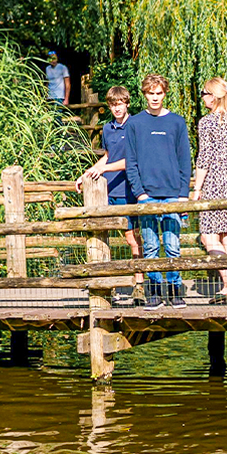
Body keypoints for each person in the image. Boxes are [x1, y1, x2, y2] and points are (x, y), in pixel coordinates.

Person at [125, 74, 192, 308]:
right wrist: (140, 192)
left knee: (173, 245)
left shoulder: (177, 122)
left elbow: (185, 159)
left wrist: (184, 192)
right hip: (147, 194)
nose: (155, 98)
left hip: (173, 193)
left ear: (165, 94)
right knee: (151, 245)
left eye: (159, 93)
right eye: (151, 93)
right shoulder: (135, 124)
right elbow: (130, 162)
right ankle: (153, 290)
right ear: (144, 94)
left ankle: (175, 290)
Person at [76, 84, 146, 304]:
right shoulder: (107, 129)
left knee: (132, 239)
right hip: (109, 190)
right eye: (113, 105)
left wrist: (104, 169)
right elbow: (107, 157)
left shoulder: (136, 125)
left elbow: (133, 160)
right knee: (102, 238)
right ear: (109, 106)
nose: (117, 109)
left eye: (120, 104)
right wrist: (88, 173)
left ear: (127, 103)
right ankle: (107, 286)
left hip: (129, 190)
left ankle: (139, 284)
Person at [189, 78, 227, 301]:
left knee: (208, 236)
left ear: (213, 96)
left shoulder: (206, 123)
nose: (202, 97)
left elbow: (204, 158)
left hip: (214, 182)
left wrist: (197, 189)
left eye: (204, 93)